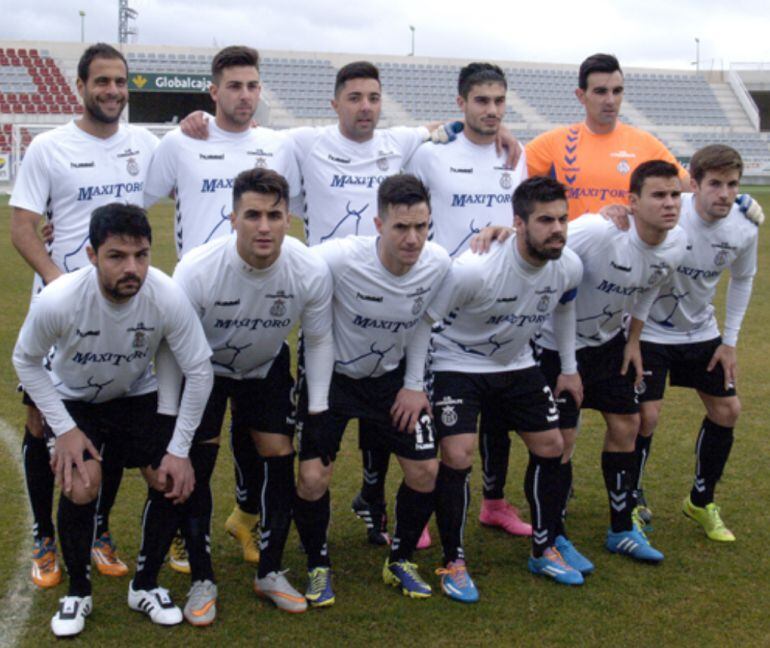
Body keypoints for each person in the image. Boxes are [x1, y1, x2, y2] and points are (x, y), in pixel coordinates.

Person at [180, 60, 519, 549]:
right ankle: (250, 510)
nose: (366, 107)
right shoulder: (303, 143)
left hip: (390, 292)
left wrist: (500, 128)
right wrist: (204, 121)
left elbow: (451, 126)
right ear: (334, 102)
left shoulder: (400, 143)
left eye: (374, 98)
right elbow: (245, 137)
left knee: (381, 398)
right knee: (267, 405)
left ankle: (373, 503)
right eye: (355, 97)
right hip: (327, 295)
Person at [12, 204, 213, 637]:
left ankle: (145, 586)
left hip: (135, 395)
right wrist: (63, 429)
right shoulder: (61, 298)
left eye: (141, 255)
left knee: (171, 479)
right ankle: (79, 593)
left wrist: (178, 452)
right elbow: (25, 361)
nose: (132, 268)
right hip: (75, 400)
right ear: (91, 254)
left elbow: (199, 370)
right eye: (117, 256)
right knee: (82, 484)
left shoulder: (165, 295)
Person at [144, 44, 300, 570]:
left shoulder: (279, 146)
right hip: (198, 309)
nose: (245, 95)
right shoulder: (181, 142)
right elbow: (133, 198)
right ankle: (185, 534)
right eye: (233, 86)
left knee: (260, 438)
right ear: (213, 91)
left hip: (258, 310)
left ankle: (245, 519)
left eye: (253, 85)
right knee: (198, 440)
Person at [9, 42, 159, 587]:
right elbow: (24, 227)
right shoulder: (49, 148)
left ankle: (96, 529)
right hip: (61, 312)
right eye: (102, 82)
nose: (113, 91)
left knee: (111, 415)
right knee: (40, 419)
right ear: (80, 86)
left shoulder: (145, 144)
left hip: (123, 310)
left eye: (120, 82)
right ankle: (45, 536)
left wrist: (196, 121)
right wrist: (59, 282)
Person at [162, 167, 333, 621]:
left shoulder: (308, 268)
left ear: (288, 218)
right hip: (204, 369)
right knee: (199, 457)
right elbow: (172, 347)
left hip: (264, 364)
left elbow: (316, 340)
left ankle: (270, 572)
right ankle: (202, 579)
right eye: (252, 214)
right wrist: (167, 412)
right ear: (232, 217)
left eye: (274, 215)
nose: (264, 226)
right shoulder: (197, 270)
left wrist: (317, 409)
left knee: (280, 452)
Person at [422, 176, 584, 599]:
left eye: (563, 219)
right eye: (545, 220)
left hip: (517, 362)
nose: (558, 230)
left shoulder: (568, 265)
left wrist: (568, 367)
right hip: (458, 362)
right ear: (519, 223)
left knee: (552, 445)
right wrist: (414, 383)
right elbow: (426, 322)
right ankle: (453, 560)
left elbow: (565, 309)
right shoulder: (474, 269)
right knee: (457, 453)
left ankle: (545, 547)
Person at [293, 174, 451, 606]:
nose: (413, 238)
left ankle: (399, 560)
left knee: (425, 472)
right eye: (401, 227)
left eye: (421, 226)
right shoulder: (340, 258)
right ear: (379, 225)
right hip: (334, 379)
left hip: (392, 381)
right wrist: (320, 409)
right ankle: (317, 564)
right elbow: (293, 263)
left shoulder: (438, 264)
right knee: (311, 478)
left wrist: (415, 386)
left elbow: (423, 321)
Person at [533, 160, 689, 566]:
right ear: (632, 202)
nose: (670, 203)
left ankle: (621, 528)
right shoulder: (599, 233)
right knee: (561, 441)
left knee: (628, 425)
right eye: (658, 195)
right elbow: (541, 245)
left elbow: (648, 289)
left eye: (674, 195)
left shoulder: (675, 244)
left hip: (608, 345)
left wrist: (633, 339)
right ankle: (555, 534)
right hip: (555, 345)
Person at [406, 61, 532, 540]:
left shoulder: (514, 155)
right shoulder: (431, 155)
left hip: (502, 304)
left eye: (499, 101)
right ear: (460, 104)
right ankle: (415, 507)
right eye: (481, 100)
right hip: (442, 301)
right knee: (433, 411)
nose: (492, 110)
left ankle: (494, 502)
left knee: (497, 411)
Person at [633, 145, 758, 540]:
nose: (724, 193)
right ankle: (632, 497)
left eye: (732, 185)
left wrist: (730, 342)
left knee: (727, 410)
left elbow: (742, 278)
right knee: (645, 416)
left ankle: (701, 501)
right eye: (715, 184)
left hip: (701, 331)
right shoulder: (670, 212)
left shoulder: (744, 226)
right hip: (650, 331)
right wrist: (632, 338)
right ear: (693, 184)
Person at [525, 53, 688, 221]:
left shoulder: (646, 144)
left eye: (617, 91)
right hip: (572, 245)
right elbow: (505, 175)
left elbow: (688, 188)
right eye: (601, 92)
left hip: (626, 245)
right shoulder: (554, 143)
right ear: (581, 96)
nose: (610, 100)